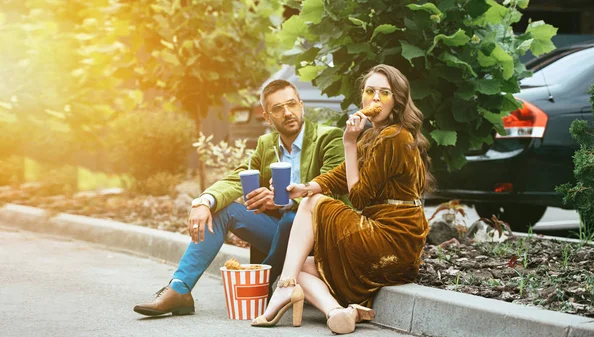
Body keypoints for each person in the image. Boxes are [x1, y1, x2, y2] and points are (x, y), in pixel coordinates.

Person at [133, 79, 346, 316]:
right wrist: (203, 201)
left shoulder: (328, 138)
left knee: (290, 219)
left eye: (291, 104)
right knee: (223, 211)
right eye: (277, 108)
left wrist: (285, 201)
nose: (287, 113)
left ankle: (262, 287)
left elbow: (332, 189)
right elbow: (237, 178)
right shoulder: (266, 145)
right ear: (267, 117)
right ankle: (179, 289)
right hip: (280, 235)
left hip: (320, 237)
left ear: (301, 105)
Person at [251, 64, 433, 334]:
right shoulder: (375, 135)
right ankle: (335, 312)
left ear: (397, 99)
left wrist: (348, 142)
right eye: (370, 91)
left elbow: (358, 197)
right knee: (299, 264)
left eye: (384, 92)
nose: (375, 99)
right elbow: (340, 176)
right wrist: (305, 187)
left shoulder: (394, 138)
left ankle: (284, 288)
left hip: (392, 243)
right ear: (362, 96)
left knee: (315, 204)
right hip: (385, 245)